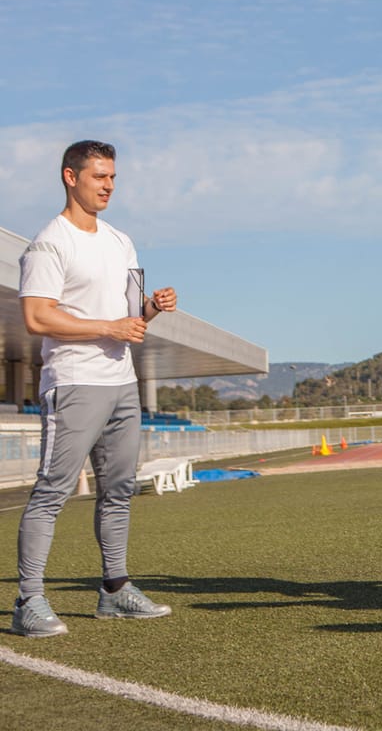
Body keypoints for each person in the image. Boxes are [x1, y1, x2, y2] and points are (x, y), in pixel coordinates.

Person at [11, 140, 177, 638]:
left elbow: (129, 318)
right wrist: (108, 328)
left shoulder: (121, 240)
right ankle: (29, 601)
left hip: (122, 383)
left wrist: (151, 309)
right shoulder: (49, 243)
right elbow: (37, 317)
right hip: (74, 383)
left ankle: (114, 591)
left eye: (112, 178)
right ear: (70, 177)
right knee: (51, 493)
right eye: (98, 177)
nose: (107, 186)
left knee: (119, 491)